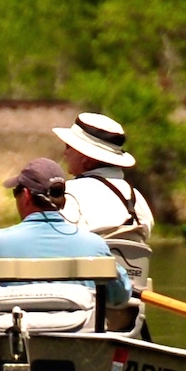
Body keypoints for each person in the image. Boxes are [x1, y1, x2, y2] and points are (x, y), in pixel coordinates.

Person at [0, 158, 131, 309]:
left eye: (16, 192)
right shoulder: (94, 245)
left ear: (26, 195)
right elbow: (120, 296)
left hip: (13, 344)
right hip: (79, 341)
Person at [54, 112, 157, 288]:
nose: (65, 153)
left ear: (85, 158)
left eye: (68, 147)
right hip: (128, 304)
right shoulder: (136, 198)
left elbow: (58, 244)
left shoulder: (68, 193)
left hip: (82, 298)